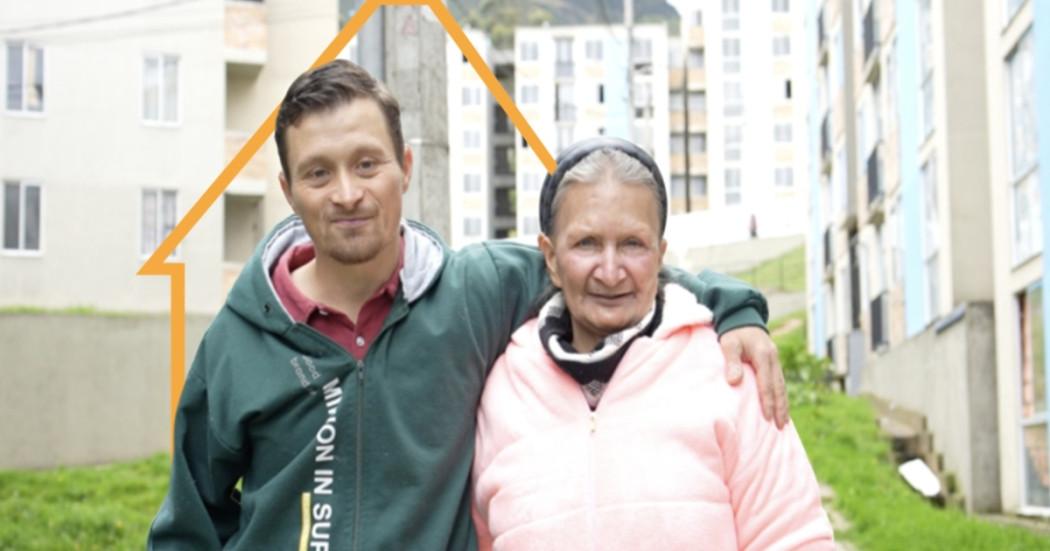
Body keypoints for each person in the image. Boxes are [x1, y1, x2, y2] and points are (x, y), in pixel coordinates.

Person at [147, 60, 787, 549]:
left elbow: (609, 268)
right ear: (289, 191)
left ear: (404, 166)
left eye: (367, 164)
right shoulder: (238, 341)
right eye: (319, 173)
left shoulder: (475, 293)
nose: (347, 193)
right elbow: (187, 526)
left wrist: (735, 309)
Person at [472, 137, 833, 550]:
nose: (610, 272)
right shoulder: (504, 391)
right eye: (587, 243)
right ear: (551, 258)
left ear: (660, 255)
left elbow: (794, 538)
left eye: (632, 244)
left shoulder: (728, 373)